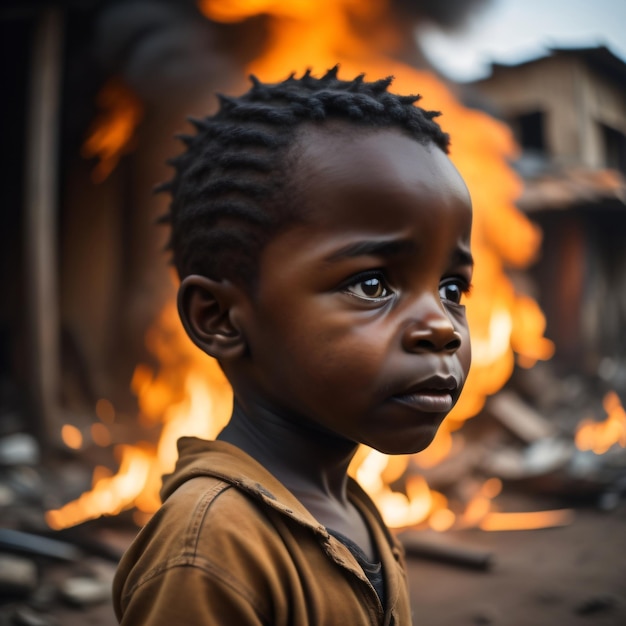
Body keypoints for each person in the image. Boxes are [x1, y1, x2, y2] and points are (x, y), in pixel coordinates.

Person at [113, 66, 473, 625]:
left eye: (453, 288)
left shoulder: (349, 508)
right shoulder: (210, 547)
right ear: (221, 319)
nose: (443, 327)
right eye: (372, 284)